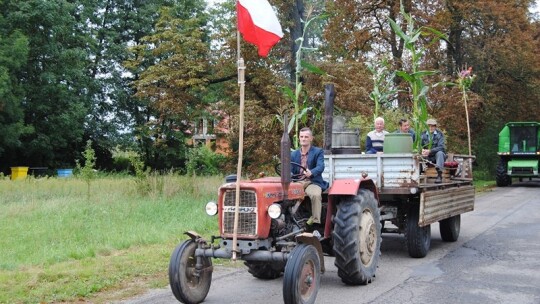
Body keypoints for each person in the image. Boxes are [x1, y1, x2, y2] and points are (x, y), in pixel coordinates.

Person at [291, 127, 329, 225]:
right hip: (297, 182)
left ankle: (315, 222)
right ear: (299, 138)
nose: (303, 139)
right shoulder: (293, 154)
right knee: (282, 195)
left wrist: (311, 172)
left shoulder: (318, 152)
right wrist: (289, 175)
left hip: (312, 182)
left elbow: (321, 166)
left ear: (311, 138)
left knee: (316, 195)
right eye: (301, 136)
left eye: (306, 137)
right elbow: (289, 169)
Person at [420, 118, 446, 184]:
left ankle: (439, 175)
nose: (430, 128)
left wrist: (430, 151)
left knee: (440, 153)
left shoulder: (440, 134)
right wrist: (422, 150)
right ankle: (419, 174)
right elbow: (419, 146)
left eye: (432, 126)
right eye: (429, 126)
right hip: (426, 156)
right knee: (418, 155)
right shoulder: (422, 134)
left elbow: (441, 147)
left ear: (435, 126)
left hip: (436, 156)